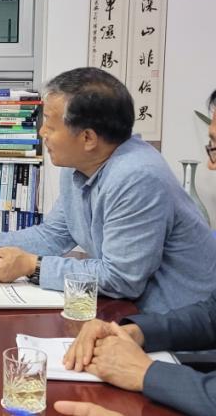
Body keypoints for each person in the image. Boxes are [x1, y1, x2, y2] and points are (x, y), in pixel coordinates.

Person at [0, 68, 216, 313]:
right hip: (127, 312)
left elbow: (122, 279)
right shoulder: (80, 165)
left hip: (179, 327)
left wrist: (32, 265)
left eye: (50, 124)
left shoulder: (137, 177)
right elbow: (53, 234)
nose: (42, 132)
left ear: (88, 138)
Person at [61, 89, 216, 416]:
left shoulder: (137, 173)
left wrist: (146, 373)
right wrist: (136, 331)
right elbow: (212, 315)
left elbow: (121, 277)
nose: (210, 165)